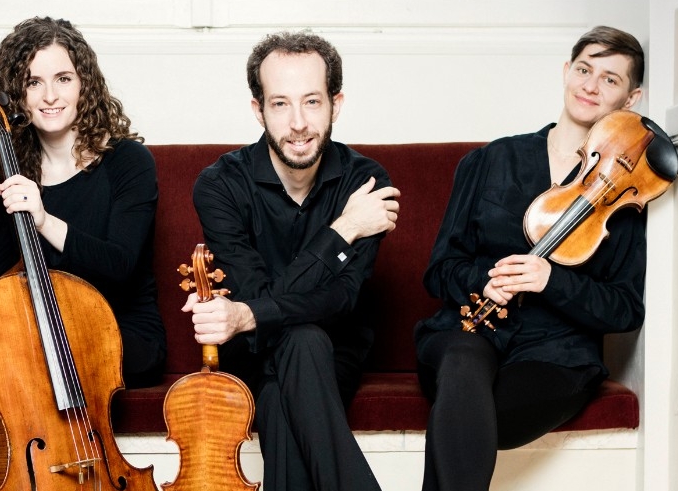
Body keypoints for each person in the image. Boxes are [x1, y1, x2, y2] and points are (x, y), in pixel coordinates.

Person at [414, 26, 648, 491]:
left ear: (631, 99)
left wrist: (551, 280)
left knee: (466, 415)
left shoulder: (625, 193)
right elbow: (440, 269)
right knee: (461, 365)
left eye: (609, 79)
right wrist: (485, 279)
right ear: (566, 72)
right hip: (470, 330)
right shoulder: (489, 161)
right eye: (584, 70)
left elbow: (624, 307)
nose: (590, 86)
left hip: (557, 353)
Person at [184, 31, 400, 491]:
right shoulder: (220, 185)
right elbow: (262, 298)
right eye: (280, 104)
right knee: (296, 343)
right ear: (258, 110)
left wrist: (248, 314)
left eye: (312, 102)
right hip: (255, 355)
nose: (299, 122)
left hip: (333, 351)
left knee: (300, 354)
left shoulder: (365, 181)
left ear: (335, 105)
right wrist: (344, 230)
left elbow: (341, 299)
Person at [0, 17, 166, 389]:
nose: (50, 96)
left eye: (63, 79)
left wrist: (44, 220)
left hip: (123, 332)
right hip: (43, 335)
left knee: (62, 353)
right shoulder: (8, 176)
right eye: (34, 82)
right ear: (16, 95)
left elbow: (120, 264)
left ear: (84, 85)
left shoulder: (127, 161)